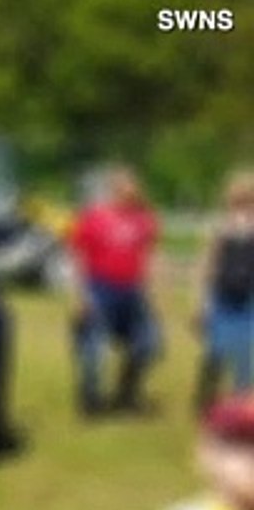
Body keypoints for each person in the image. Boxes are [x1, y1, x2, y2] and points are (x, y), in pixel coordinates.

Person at [69, 165, 162, 416]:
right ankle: (90, 401)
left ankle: (127, 392)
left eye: (134, 188)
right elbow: (79, 256)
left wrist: (152, 292)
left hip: (132, 290)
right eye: (125, 189)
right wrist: (81, 295)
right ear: (114, 190)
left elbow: (149, 257)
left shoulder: (145, 219)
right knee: (93, 348)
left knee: (149, 343)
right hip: (100, 288)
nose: (131, 193)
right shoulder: (94, 217)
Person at [195, 171, 254, 412]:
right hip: (222, 296)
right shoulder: (219, 230)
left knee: (245, 352)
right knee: (216, 350)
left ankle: (243, 401)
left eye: (246, 201)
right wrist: (203, 303)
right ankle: (205, 399)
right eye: (237, 202)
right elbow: (207, 266)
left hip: (248, 299)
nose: (241, 208)